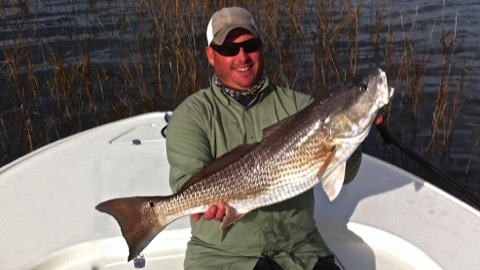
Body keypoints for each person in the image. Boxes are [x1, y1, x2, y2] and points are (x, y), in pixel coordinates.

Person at [166, 6, 380, 270]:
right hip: (223, 254)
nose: (242, 57)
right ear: (211, 55)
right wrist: (201, 203)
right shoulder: (191, 115)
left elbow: (343, 175)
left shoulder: (301, 106)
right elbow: (185, 182)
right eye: (229, 50)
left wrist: (359, 130)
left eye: (250, 45)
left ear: (261, 47)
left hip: (301, 248)